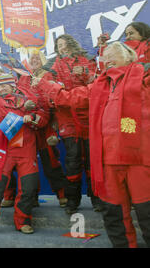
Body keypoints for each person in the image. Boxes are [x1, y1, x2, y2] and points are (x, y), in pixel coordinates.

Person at [37, 41, 150, 248]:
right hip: (107, 162)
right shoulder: (99, 85)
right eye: (105, 56)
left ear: (130, 57)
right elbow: (69, 98)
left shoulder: (144, 77)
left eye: (114, 55)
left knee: (147, 212)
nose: (108, 59)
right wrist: (44, 83)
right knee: (114, 215)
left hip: (140, 160)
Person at [0, 73, 49, 238]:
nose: (2, 88)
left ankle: (23, 221)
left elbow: (43, 117)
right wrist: (24, 112)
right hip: (6, 149)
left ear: (13, 85)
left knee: (29, 187)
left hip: (26, 149)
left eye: (5, 85)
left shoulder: (28, 97)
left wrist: (32, 116)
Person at [43, 34, 101, 214]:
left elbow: (97, 83)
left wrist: (83, 74)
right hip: (67, 120)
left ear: (71, 44)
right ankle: (72, 201)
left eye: (64, 43)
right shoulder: (53, 67)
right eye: (58, 45)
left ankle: (97, 199)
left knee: (94, 161)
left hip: (89, 118)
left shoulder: (86, 60)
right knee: (72, 161)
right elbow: (50, 91)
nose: (62, 47)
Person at [19, 52, 68, 207]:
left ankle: (62, 194)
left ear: (43, 60)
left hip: (45, 125)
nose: (34, 60)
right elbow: (18, 99)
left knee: (51, 162)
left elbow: (52, 98)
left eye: (37, 58)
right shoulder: (22, 78)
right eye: (31, 58)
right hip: (27, 127)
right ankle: (31, 198)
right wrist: (26, 107)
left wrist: (38, 108)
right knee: (28, 166)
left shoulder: (48, 75)